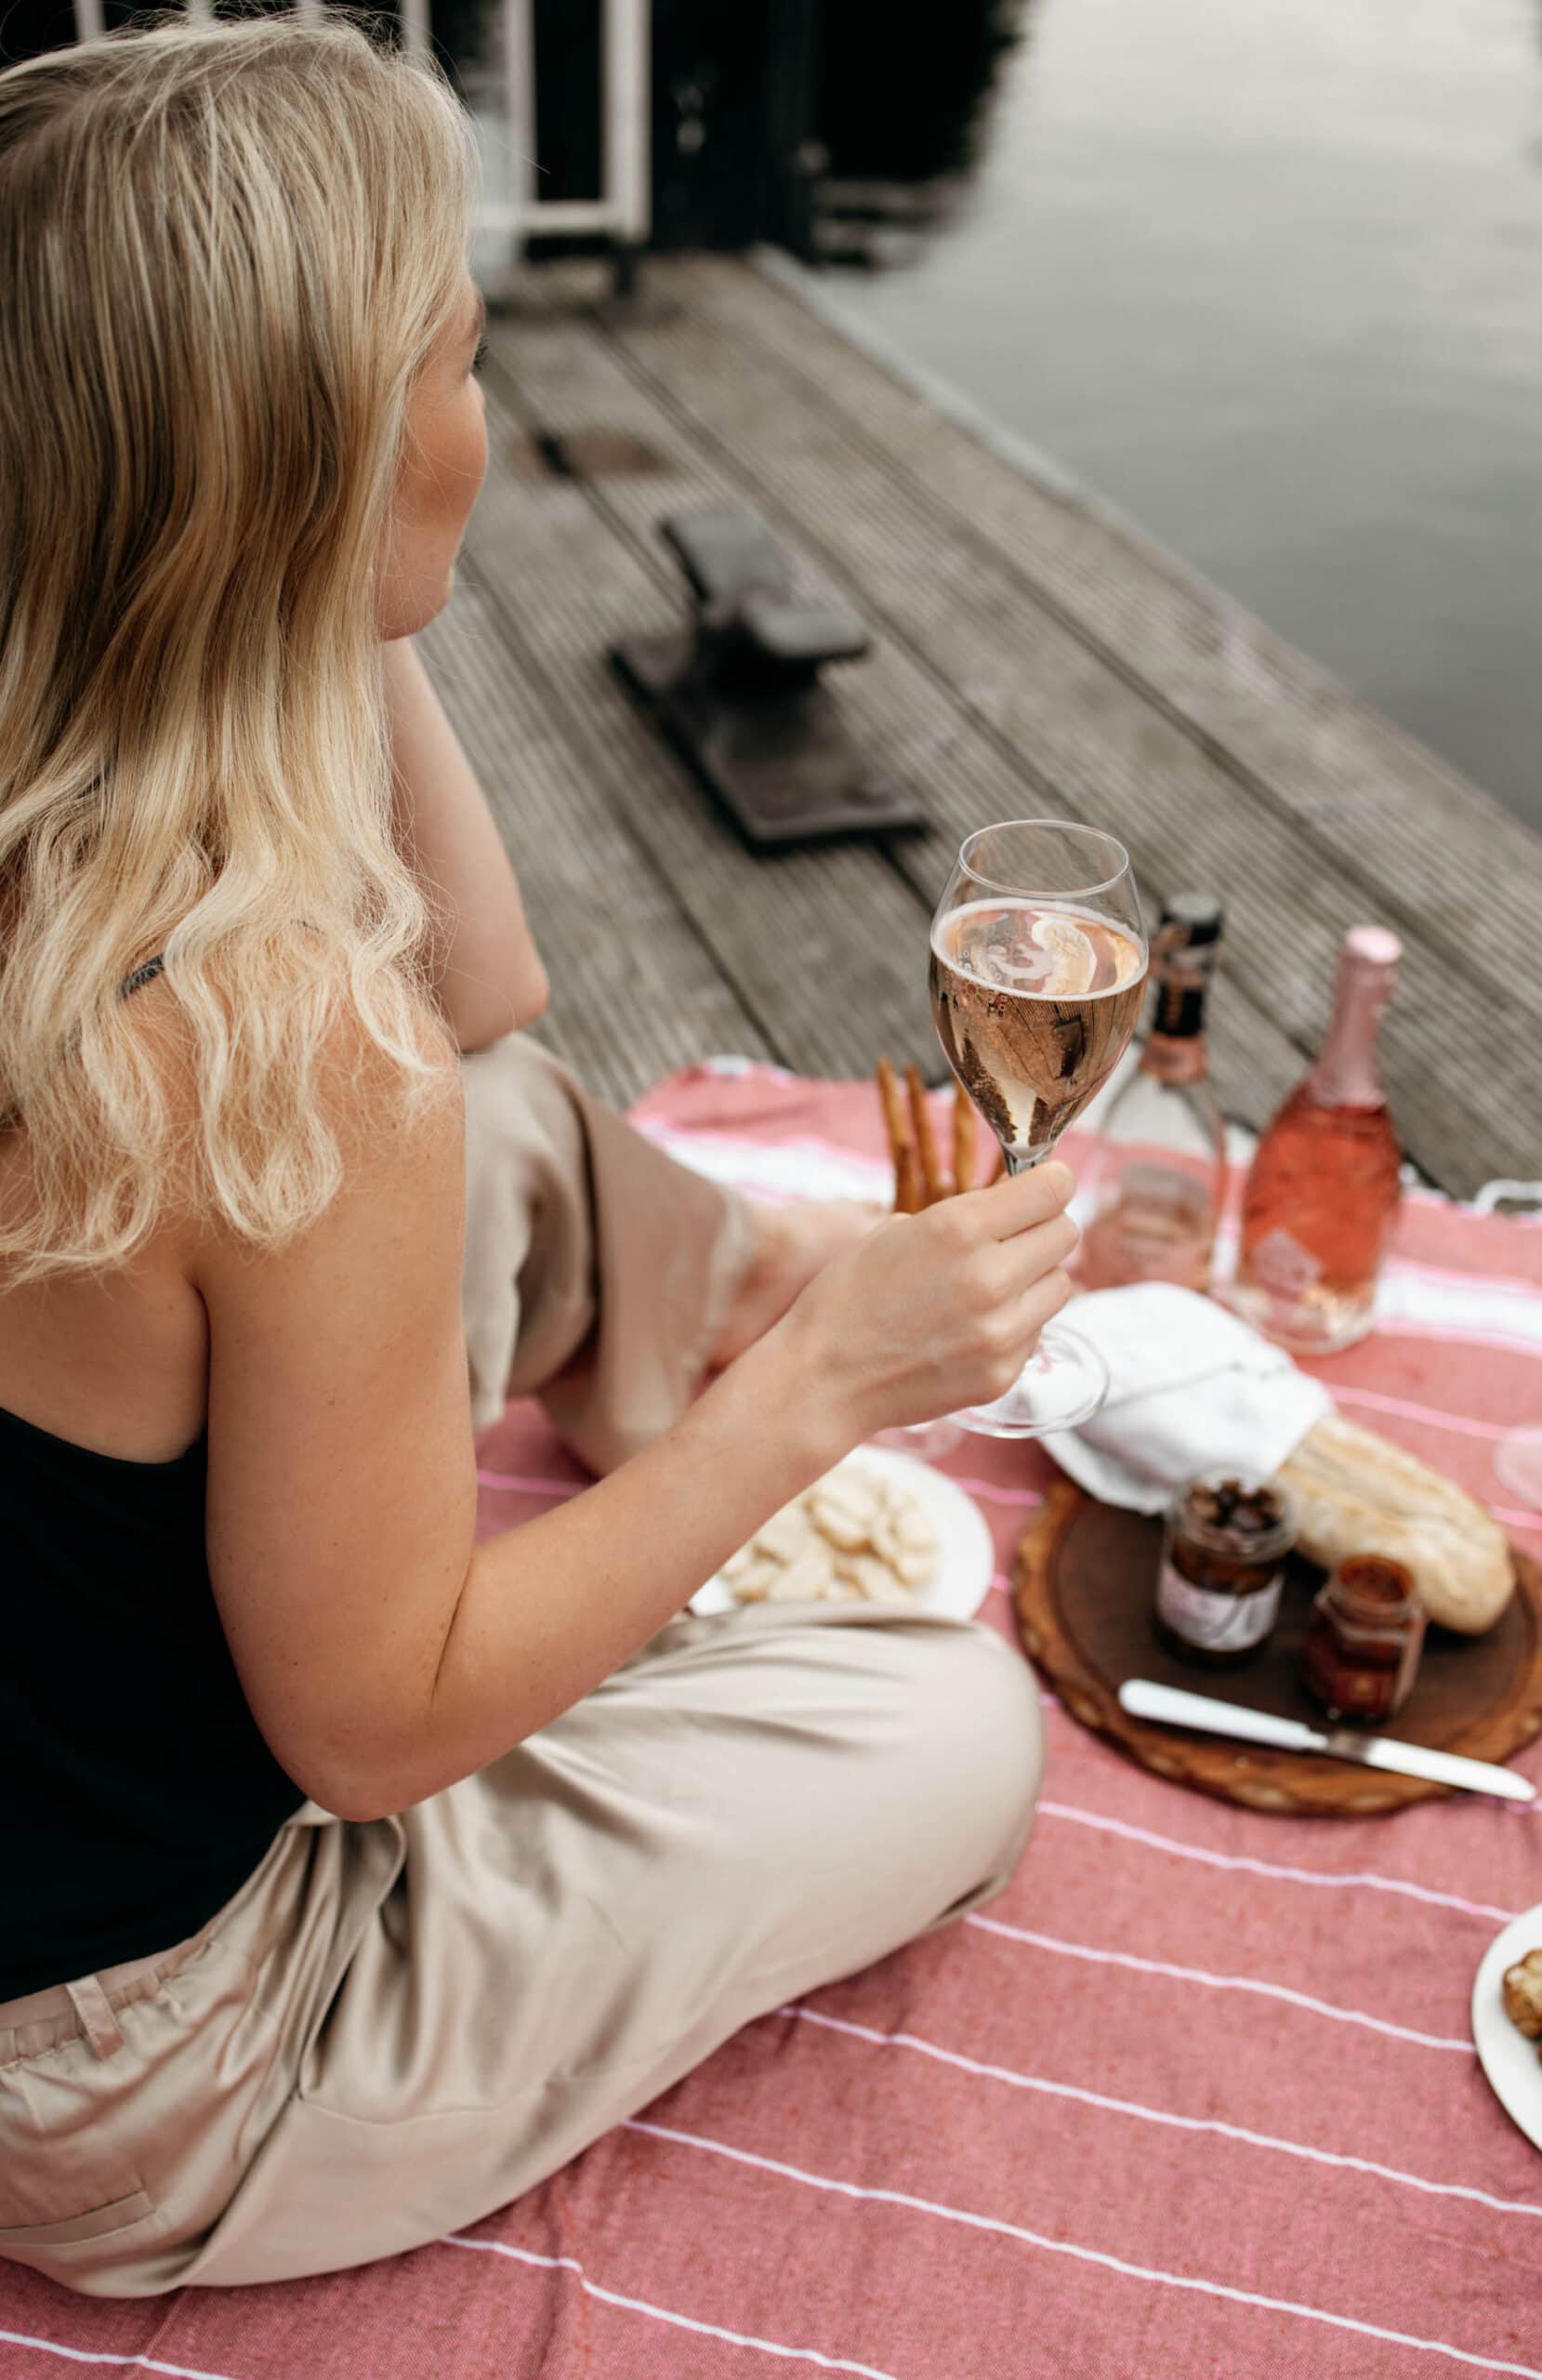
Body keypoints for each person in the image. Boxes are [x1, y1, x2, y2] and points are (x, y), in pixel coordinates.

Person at [0, 15, 1076, 2296]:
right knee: (952, 1719)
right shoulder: (281, 1039)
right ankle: (726, 1354)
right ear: (307, 457)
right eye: (459, 354)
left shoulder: (78, 802)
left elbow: (486, 996)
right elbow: (370, 1732)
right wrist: (826, 1390)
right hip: (136, 2063)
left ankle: (676, 1309)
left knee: (513, 1120)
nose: (479, 416)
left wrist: (305, 584)